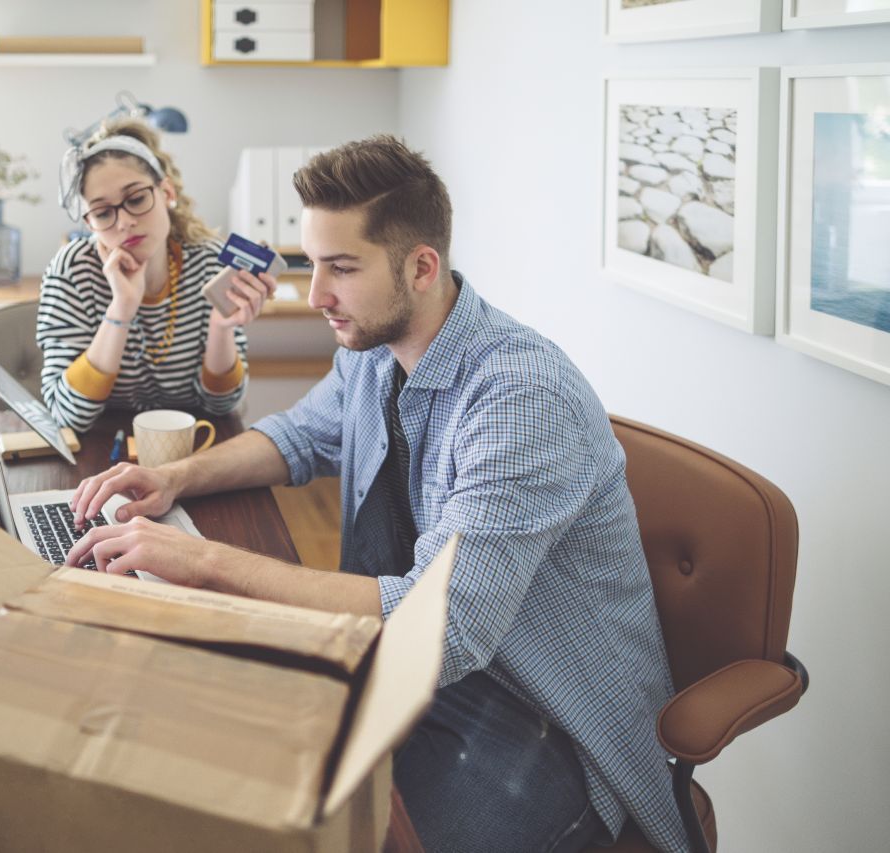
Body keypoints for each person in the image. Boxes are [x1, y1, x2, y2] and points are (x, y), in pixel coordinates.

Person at [63, 136, 689, 852]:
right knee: (226, 767)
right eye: (311, 264)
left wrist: (204, 564)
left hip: (544, 723)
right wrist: (174, 477)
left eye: (342, 268)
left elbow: (443, 629)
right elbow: (300, 437)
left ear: (422, 266)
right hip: (407, 674)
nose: (316, 293)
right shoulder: (375, 346)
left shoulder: (520, 397)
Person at [37, 119, 276, 432]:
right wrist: (121, 308)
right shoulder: (71, 271)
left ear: (166, 192)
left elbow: (222, 406)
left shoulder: (210, 263)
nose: (124, 222)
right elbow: (68, 414)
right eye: (103, 213)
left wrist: (221, 328)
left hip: (190, 443)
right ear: (88, 222)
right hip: (101, 451)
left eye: (136, 199)